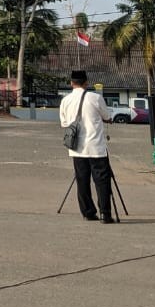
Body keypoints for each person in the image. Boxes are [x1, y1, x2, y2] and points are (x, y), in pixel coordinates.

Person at [59, 71, 115, 223]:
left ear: (71, 83)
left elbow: (64, 123)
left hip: (77, 148)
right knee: (102, 181)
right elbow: (107, 117)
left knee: (82, 181)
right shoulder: (95, 98)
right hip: (96, 147)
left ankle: (88, 212)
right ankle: (105, 214)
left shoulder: (66, 100)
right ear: (86, 82)